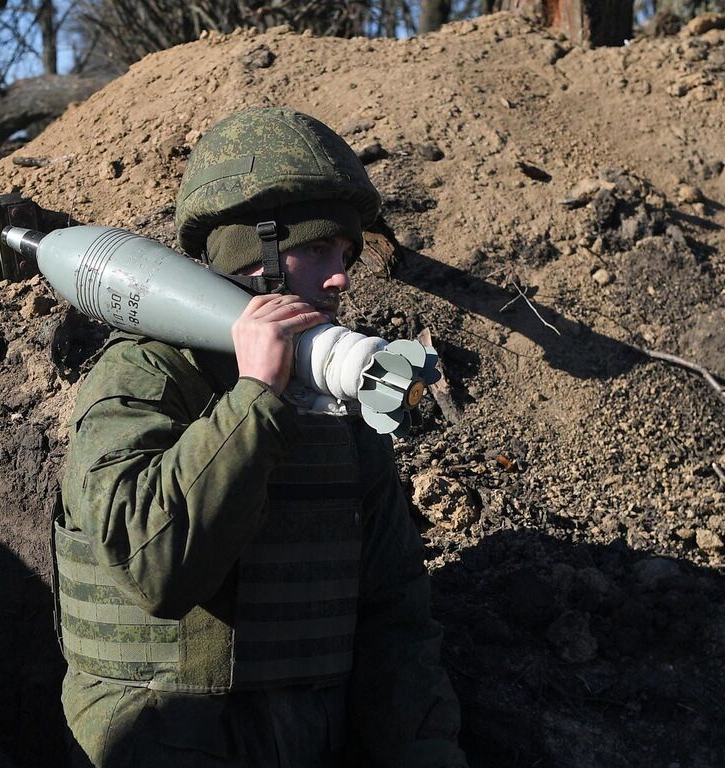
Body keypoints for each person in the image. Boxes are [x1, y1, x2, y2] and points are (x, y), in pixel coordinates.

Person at [54, 107, 467, 767]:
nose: (341, 278)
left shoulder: (339, 393)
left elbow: (394, 617)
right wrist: (255, 398)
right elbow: (155, 568)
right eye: (319, 251)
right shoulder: (143, 376)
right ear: (259, 253)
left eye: (347, 254)